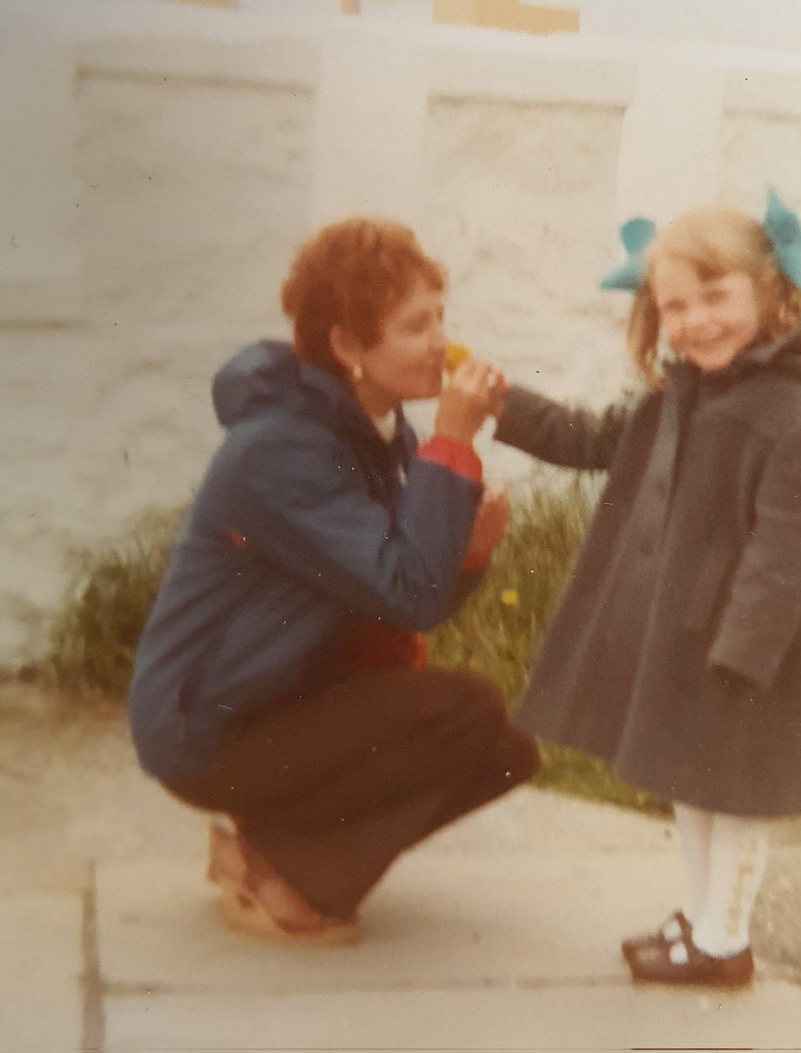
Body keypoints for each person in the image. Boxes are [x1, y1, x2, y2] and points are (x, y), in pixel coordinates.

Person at [127, 217, 539, 943]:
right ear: (347, 345)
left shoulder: (378, 431)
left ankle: (265, 848)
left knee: (507, 750)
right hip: (205, 725)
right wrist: (452, 441)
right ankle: (274, 865)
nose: (441, 341)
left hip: (281, 692)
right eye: (415, 325)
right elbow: (408, 588)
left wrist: (466, 554)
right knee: (466, 710)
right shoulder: (278, 449)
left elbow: (407, 598)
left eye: (440, 317)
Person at [492, 192, 801, 987]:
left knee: (738, 794)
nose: (696, 322)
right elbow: (591, 440)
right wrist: (502, 403)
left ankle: (725, 942)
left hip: (748, 654)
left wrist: (747, 650)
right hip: (685, 639)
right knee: (691, 783)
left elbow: (790, 549)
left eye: (716, 297)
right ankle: (701, 916)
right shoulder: (678, 400)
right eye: (675, 306)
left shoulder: (793, 418)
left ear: (771, 292)